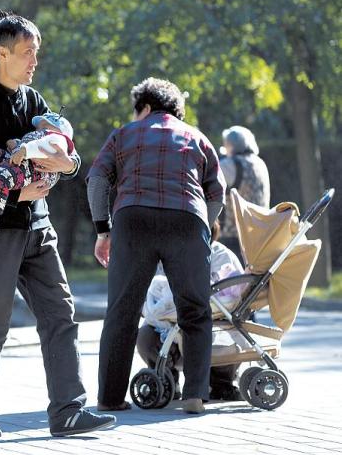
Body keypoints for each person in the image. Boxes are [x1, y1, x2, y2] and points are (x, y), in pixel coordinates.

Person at [0, 13, 115, 438]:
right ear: (2, 54)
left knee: (61, 314)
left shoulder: (33, 100)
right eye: (26, 53)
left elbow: (64, 154)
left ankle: (68, 411)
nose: (34, 60)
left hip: (39, 228)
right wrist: (14, 195)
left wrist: (70, 163)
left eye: (36, 52)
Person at [86, 77, 226, 415]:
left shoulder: (123, 134)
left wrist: (103, 229)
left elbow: (97, 179)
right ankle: (194, 394)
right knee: (194, 309)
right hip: (187, 219)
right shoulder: (198, 137)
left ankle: (110, 397)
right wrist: (201, 226)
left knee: (123, 309)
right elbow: (217, 191)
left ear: (145, 107)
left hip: (133, 219)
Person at [136, 222, 245, 402]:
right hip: (167, 326)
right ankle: (168, 380)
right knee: (145, 336)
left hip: (212, 324)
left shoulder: (220, 255)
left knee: (224, 337)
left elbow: (234, 297)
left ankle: (221, 383)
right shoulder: (162, 255)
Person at [0, 111, 75, 228]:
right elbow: (31, 144)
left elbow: (41, 146)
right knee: (1, 155)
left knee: (1, 176)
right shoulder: (40, 136)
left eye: (44, 126)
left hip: (37, 172)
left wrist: (23, 150)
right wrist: (17, 145)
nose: (38, 129)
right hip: (26, 163)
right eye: (38, 127)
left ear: (61, 132)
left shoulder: (57, 140)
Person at [218, 125, 270, 264]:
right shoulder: (260, 163)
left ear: (230, 146)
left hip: (234, 238)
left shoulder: (229, 165)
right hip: (259, 235)